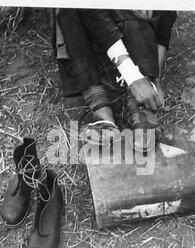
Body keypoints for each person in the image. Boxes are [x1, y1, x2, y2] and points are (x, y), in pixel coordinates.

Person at [53, 9, 177, 147]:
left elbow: (166, 16)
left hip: (133, 36)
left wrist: (154, 77)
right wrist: (132, 76)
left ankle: (141, 109)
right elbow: (93, 13)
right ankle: (101, 111)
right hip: (91, 38)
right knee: (69, 8)